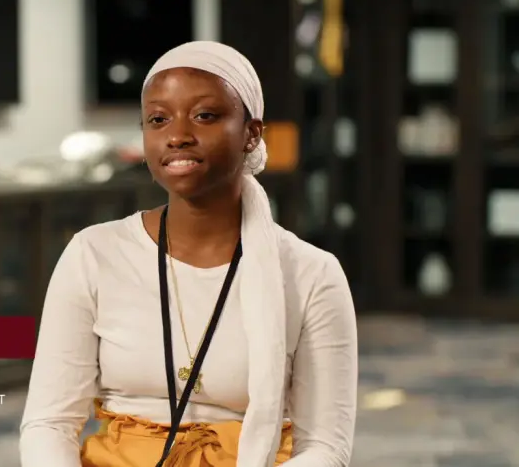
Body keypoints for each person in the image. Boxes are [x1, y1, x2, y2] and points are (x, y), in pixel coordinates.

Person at [19, 41, 358, 467]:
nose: (177, 136)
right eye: (158, 119)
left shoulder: (313, 274)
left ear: (252, 133)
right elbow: (48, 424)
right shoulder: (93, 254)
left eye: (204, 116)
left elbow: (325, 447)